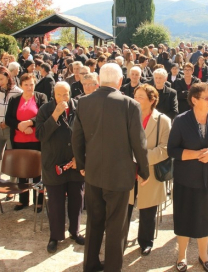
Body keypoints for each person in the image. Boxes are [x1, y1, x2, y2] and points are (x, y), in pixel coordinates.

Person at [72, 63, 149, 272]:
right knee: (116, 226)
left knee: (94, 222)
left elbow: (76, 137)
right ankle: (113, 268)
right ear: (120, 81)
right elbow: (139, 143)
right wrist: (144, 170)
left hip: (93, 172)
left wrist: (81, 165)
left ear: (99, 81)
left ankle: (90, 265)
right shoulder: (130, 104)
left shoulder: (84, 102)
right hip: (120, 175)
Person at [167, 82, 208, 272]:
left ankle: (204, 255)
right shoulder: (180, 120)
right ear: (194, 100)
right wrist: (197, 154)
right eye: (207, 97)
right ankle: (181, 256)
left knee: (205, 219)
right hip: (185, 180)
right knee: (184, 218)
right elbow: (172, 150)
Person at [36, 82, 85, 253]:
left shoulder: (79, 107)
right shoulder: (45, 110)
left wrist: (80, 158)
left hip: (75, 163)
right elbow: (40, 134)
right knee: (56, 203)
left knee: (76, 200)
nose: (63, 98)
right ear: (53, 95)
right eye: (59, 95)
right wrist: (55, 116)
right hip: (53, 164)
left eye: (66, 94)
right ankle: (55, 236)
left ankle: (75, 231)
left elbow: (87, 133)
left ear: (70, 93)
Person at [128, 84, 171, 256]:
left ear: (152, 100)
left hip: (151, 173)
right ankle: (120, 239)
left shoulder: (163, 120)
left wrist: (142, 158)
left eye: (140, 96)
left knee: (147, 212)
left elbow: (166, 149)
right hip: (128, 171)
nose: (136, 99)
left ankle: (146, 241)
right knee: (124, 209)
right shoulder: (128, 116)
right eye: (135, 95)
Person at [5, 73, 48, 211]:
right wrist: (20, 126)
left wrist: (30, 123)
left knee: (37, 173)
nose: (29, 87)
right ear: (21, 85)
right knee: (21, 172)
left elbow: (44, 115)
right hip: (19, 140)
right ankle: (23, 200)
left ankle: (38, 200)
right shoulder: (14, 99)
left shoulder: (41, 97)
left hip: (36, 141)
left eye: (31, 84)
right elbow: (8, 119)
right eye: (26, 85)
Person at [0, 67, 22, 197]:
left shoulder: (17, 92)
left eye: (1, 79)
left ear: (8, 76)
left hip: (10, 129)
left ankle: (12, 186)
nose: (0, 82)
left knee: (12, 158)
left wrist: (9, 122)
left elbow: (19, 111)